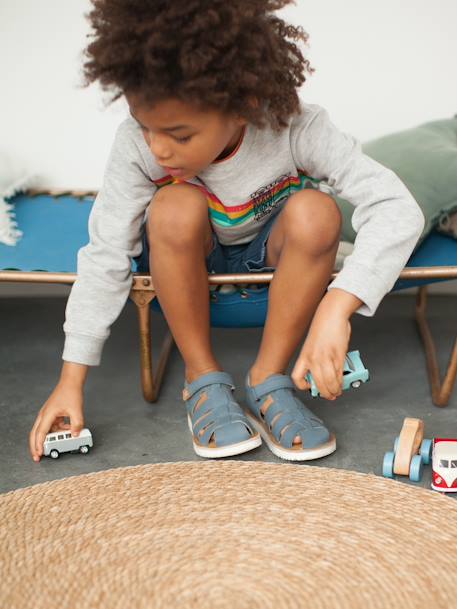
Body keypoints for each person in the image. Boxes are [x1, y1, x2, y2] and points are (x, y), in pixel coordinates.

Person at [29, 0, 425, 463]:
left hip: (275, 276)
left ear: (243, 107)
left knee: (318, 212)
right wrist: (70, 380)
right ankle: (202, 380)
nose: (158, 149)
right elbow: (105, 254)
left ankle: (269, 380)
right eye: (145, 126)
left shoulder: (294, 126)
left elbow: (398, 207)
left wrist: (338, 308)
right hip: (181, 278)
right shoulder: (139, 148)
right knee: (174, 203)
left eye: (179, 135)